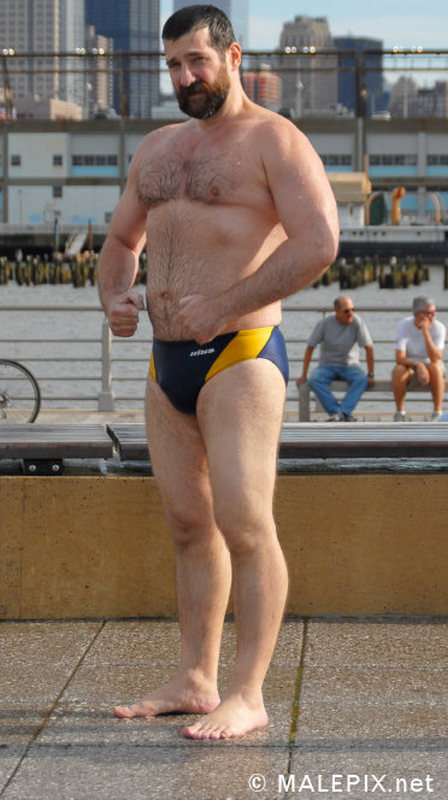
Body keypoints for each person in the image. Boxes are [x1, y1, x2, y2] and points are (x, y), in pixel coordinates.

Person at [97, 4, 338, 740]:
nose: (184, 77)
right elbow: (119, 238)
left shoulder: (275, 140)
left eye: (197, 61)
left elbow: (320, 242)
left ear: (233, 56)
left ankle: (250, 693)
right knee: (187, 526)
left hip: (238, 354)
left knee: (244, 521)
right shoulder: (160, 148)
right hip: (165, 361)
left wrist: (226, 304)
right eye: (172, 65)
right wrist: (113, 296)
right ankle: (196, 680)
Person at [296, 295, 375, 421]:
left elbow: (368, 347)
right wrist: (303, 375)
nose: (351, 313)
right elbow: (310, 347)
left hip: (350, 366)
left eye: (353, 310)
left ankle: (341, 413)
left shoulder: (357, 322)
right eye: (346, 311)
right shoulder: (325, 323)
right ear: (336, 311)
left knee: (361, 379)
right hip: (327, 366)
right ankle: (340, 413)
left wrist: (371, 374)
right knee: (314, 379)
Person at [392, 296, 446, 421]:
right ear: (417, 313)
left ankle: (437, 411)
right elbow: (399, 357)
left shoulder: (439, 327)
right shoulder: (404, 325)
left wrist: (426, 332)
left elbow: (436, 358)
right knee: (398, 370)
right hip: (410, 363)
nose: (432, 316)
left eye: (434, 312)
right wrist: (418, 365)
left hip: (431, 363)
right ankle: (400, 412)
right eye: (429, 313)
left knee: (436, 368)